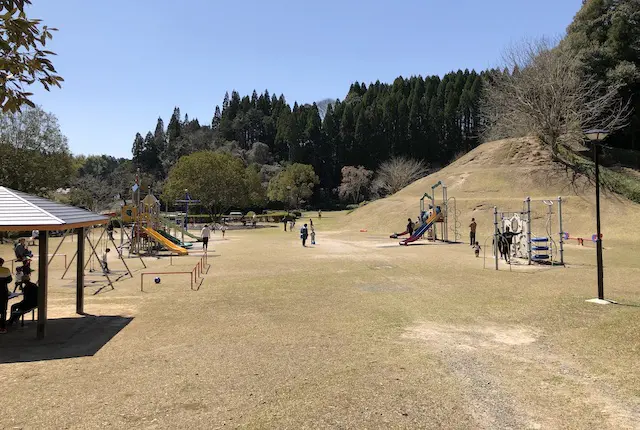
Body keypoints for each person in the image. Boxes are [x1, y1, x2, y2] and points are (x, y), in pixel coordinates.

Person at [0, 258, 12, 334]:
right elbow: (9, 280)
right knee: (3, 311)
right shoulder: (6, 270)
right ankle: (3, 327)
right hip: (3, 292)